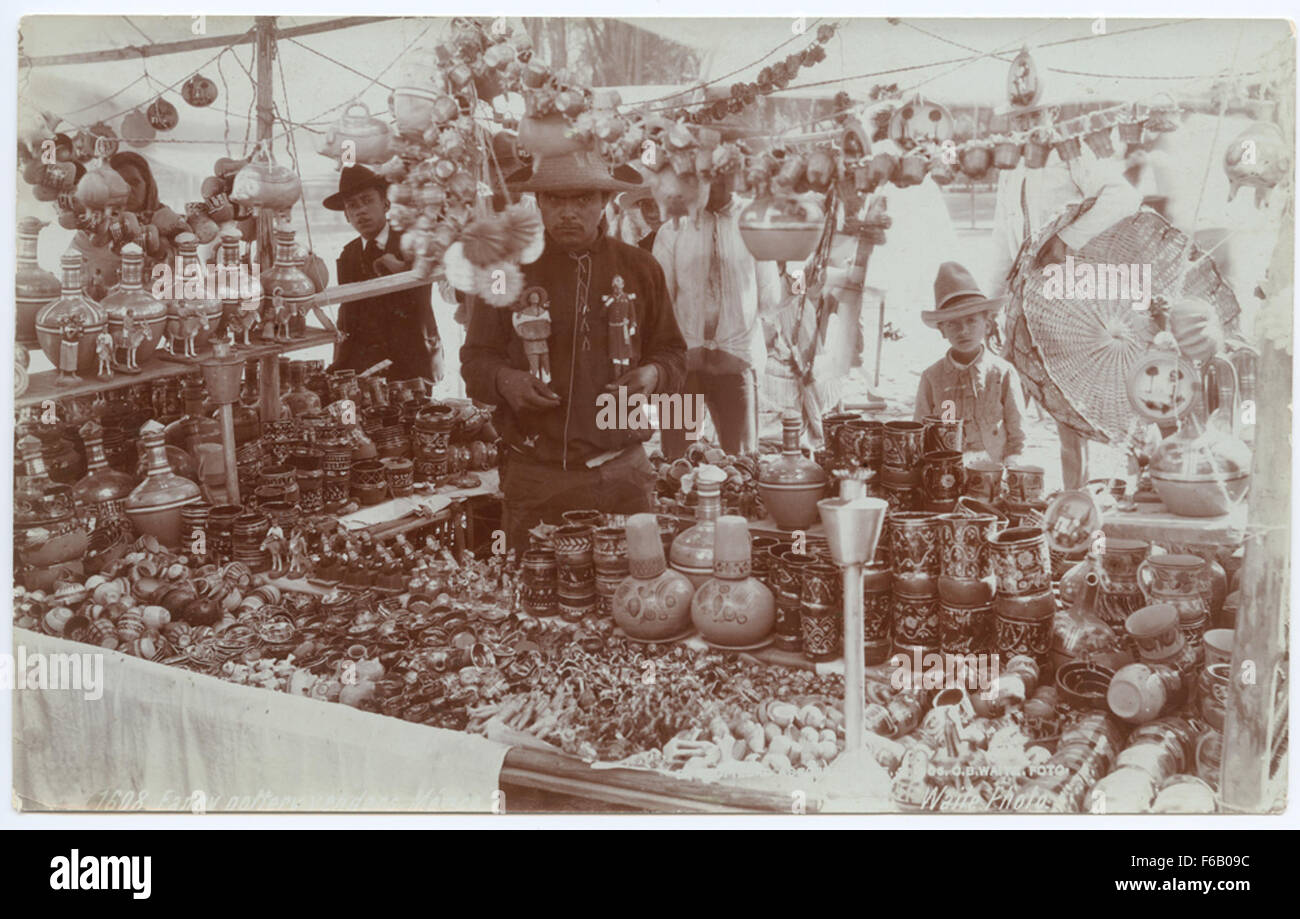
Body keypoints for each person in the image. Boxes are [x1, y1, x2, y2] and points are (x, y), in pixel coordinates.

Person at [461, 148, 687, 551]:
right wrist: (505, 379)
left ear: (605, 201)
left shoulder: (640, 268)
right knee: (531, 600)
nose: (568, 212)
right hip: (536, 475)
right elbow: (474, 361)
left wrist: (653, 375)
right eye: (555, 199)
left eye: (582, 199)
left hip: (623, 474)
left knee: (636, 596)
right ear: (538, 202)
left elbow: (672, 352)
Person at [986, 102, 1143, 489]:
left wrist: (1065, 239)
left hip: (1075, 294)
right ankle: (1075, 495)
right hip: (1032, 302)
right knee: (1059, 405)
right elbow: (1001, 241)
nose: (1026, 124)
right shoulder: (1012, 169)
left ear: (1050, 115)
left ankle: (1141, 478)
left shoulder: (1071, 153)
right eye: (1018, 118)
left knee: (1099, 393)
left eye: (1033, 116)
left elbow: (1123, 197)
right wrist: (993, 304)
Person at [652, 173, 780, 457]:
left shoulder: (754, 223)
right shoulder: (673, 227)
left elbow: (770, 298)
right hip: (683, 365)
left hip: (735, 363)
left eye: (723, 175)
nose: (713, 184)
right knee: (677, 462)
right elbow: (660, 303)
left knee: (742, 462)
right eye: (705, 176)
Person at [325, 165, 441, 382]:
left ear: (386, 204)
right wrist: (340, 362)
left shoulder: (412, 240)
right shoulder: (348, 254)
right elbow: (348, 313)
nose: (360, 211)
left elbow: (428, 282)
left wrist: (404, 271)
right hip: (365, 363)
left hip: (412, 359)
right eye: (352, 206)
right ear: (347, 216)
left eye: (367, 201)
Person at [914, 262, 1026, 468]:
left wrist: (1012, 464)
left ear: (988, 324)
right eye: (952, 324)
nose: (963, 330)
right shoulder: (932, 377)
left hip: (995, 471)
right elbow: (920, 431)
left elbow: (1017, 431)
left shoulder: (1003, 373)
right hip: (947, 473)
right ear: (942, 331)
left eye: (971, 321)